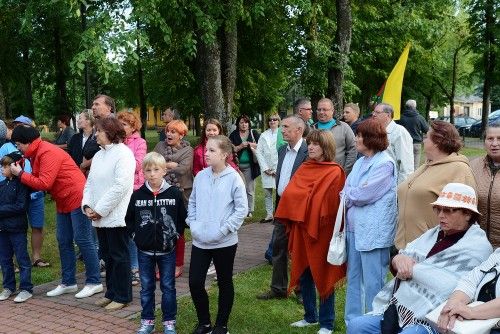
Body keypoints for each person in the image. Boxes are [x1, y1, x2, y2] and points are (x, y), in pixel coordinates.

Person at [347, 183, 493, 334]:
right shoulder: (434, 234)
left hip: (434, 317)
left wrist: (414, 270)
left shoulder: (478, 247)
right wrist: (399, 259)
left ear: (468, 214)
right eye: (438, 209)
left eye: (448, 210)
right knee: (356, 326)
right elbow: (402, 256)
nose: (441, 215)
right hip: (401, 307)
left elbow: (448, 285)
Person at [10, 125, 102, 299]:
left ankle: (94, 282)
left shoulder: (46, 152)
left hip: (76, 196)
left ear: (28, 142)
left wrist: (21, 174)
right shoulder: (35, 152)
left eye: (19, 144)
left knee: (83, 239)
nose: (18, 148)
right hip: (62, 199)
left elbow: (44, 183)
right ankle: (69, 282)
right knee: (63, 239)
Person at [274, 129, 346, 334]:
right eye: (310, 143)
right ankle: (310, 316)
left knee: (323, 275)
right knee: (304, 273)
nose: (311, 147)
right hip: (301, 229)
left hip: (322, 232)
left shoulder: (335, 171)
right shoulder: (304, 167)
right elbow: (290, 194)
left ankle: (327, 323)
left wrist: (305, 201)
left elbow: (332, 205)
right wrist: (305, 202)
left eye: (316, 144)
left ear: (326, 147)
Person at [187, 135, 247, 334]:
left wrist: (223, 230)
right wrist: (193, 224)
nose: (206, 154)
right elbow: (193, 202)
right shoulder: (201, 176)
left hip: (224, 242)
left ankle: (221, 325)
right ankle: (204, 322)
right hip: (200, 240)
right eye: (206, 149)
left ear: (224, 155)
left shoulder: (234, 178)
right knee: (195, 282)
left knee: (224, 281)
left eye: (212, 150)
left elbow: (241, 209)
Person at [126, 152, 187, 334]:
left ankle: (169, 322)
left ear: (164, 171)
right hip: (144, 251)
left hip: (167, 251)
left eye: (156, 169)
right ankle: (147, 321)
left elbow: (181, 219)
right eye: (148, 170)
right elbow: (129, 219)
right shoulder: (137, 196)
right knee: (146, 288)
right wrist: (136, 236)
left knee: (168, 287)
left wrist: (175, 236)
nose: (152, 173)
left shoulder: (174, 194)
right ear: (143, 172)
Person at [343, 119, 397, 323]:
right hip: (354, 230)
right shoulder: (360, 162)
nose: (356, 138)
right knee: (354, 279)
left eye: (360, 135)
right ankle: (353, 322)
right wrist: (351, 194)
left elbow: (364, 195)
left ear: (372, 139)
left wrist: (351, 194)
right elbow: (346, 190)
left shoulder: (385, 164)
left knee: (374, 282)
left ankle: (373, 323)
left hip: (374, 232)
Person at [394, 120, 476, 250]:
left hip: (431, 250)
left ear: (438, 141)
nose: (423, 139)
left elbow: (465, 215)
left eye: (427, 136)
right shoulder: (425, 166)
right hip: (405, 249)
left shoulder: (459, 169)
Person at [82, 117, 135, 311]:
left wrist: (100, 210)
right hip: (99, 216)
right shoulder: (98, 156)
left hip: (117, 216)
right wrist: (87, 206)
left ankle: (123, 296)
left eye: (99, 131)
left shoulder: (124, 154)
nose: (96, 134)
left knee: (119, 256)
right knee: (107, 256)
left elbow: (120, 187)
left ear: (111, 133)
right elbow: (90, 183)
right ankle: (111, 293)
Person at [257, 115, 308, 299]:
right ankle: (278, 289)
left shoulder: (308, 152)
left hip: (300, 209)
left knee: (300, 251)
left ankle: (302, 291)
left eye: (286, 127)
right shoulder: (281, 150)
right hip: (282, 206)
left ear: (299, 130)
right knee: (279, 248)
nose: (282, 130)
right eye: (282, 127)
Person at [2, 118, 48, 267]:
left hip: (35, 193)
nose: (21, 128)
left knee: (37, 224)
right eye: (18, 125)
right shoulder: (6, 147)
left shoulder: (38, 147)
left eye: (24, 126)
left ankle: (36, 257)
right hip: (15, 193)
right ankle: (14, 261)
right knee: (14, 226)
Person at [154, 119, 192, 277]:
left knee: (178, 230)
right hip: (161, 191)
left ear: (181, 135)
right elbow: (152, 163)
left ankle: (178, 264)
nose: (168, 134)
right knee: (160, 228)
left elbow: (183, 170)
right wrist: (172, 165)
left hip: (181, 194)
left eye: (173, 132)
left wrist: (164, 165)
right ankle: (162, 263)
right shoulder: (159, 146)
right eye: (168, 131)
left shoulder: (188, 150)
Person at [438, 247, 500, 333]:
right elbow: (471, 280)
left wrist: (472, 312)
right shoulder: (498, 254)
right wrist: (454, 305)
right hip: (470, 322)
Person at [117, 111, 147, 286]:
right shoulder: (116, 142)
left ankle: (135, 268)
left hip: (134, 189)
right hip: (119, 190)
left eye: (125, 125)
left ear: (133, 127)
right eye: (119, 124)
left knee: (132, 231)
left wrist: (120, 160)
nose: (121, 127)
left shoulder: (140, 142)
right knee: (120, 230)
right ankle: (124, 266)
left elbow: (137, 165)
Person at [0, 152, 33, 303]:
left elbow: (20, 206)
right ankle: (8, 286)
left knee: (22, 258)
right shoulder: (2, 185)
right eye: (2, 166)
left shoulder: (22, 184)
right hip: (2, 229)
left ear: (15, 166)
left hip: (17, 228)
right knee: (5, 259)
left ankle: (26, 288)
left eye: (5, 166)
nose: (2, 169)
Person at [470, 122, 500, 248]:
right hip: (477, 245)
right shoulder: (472, 166)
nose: (494, 144)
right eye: (490, 139)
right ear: (484, 142)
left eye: (499, 139)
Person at [372, 102, 414, 184]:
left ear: (388, 115)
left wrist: (400, 190)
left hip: (393, 185)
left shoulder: (399, 132)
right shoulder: (375, 131)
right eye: (373, 112)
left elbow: (406, 165)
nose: (373, 114)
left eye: (377, 112)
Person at [312, 98, 357, 175]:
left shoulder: (344, 127)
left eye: (325, 109)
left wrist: (344, 171)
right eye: (319, 110)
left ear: (332, 111)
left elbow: (353, 148)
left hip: (336, 174)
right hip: (315, 173)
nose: (321, 112)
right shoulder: (311, 128)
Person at [229, 115, 261, 218]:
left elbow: (261, 145)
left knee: (249, 189)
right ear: (238, 124)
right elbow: (230, 149)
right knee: (236, 188)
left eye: (246, 122)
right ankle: (238, 209)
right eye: (242, 122)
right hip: (236, 166)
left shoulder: (254, 133)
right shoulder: (233, 135)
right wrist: (240, 146)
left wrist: (250, 144)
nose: (244, 124)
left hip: (249, 166)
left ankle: (249, 210)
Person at [255, 114, 280, 223]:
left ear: (279, 121)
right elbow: (259, 152)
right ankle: (269, 214)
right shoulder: (263, 135)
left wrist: (277, 169)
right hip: (266, 168)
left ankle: (279, 214)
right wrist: (265, 168)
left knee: (280, 192)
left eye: (275, 119)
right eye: (270, 120)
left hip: (278, 168)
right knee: (267, 192)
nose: (272, 121)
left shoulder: (282, 134)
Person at [398, 99, 429, 170]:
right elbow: (427, 130)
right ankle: (414, 180)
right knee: (415, 166)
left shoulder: (400, 118)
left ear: (406, 107)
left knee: (404, 165)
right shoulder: (420, 117)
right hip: (416, 143)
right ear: (415, 107)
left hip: (404, 143)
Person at [68, 110, 100, 176]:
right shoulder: (75, 138)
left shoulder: (98, 137)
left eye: (80, 118)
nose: (77, 121)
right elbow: (69, 156)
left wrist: (84, 166)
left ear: (88, 120)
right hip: (75, 174)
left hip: (93, 175)